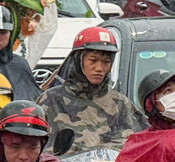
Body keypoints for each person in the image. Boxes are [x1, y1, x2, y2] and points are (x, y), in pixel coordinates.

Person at [37, 25, 147, 155]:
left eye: (106, 62)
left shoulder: (121, 103)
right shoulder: (50, 100)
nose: (99, 68)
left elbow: (142, 145)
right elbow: (31, 146)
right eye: (93, 61)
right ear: (79, 60)